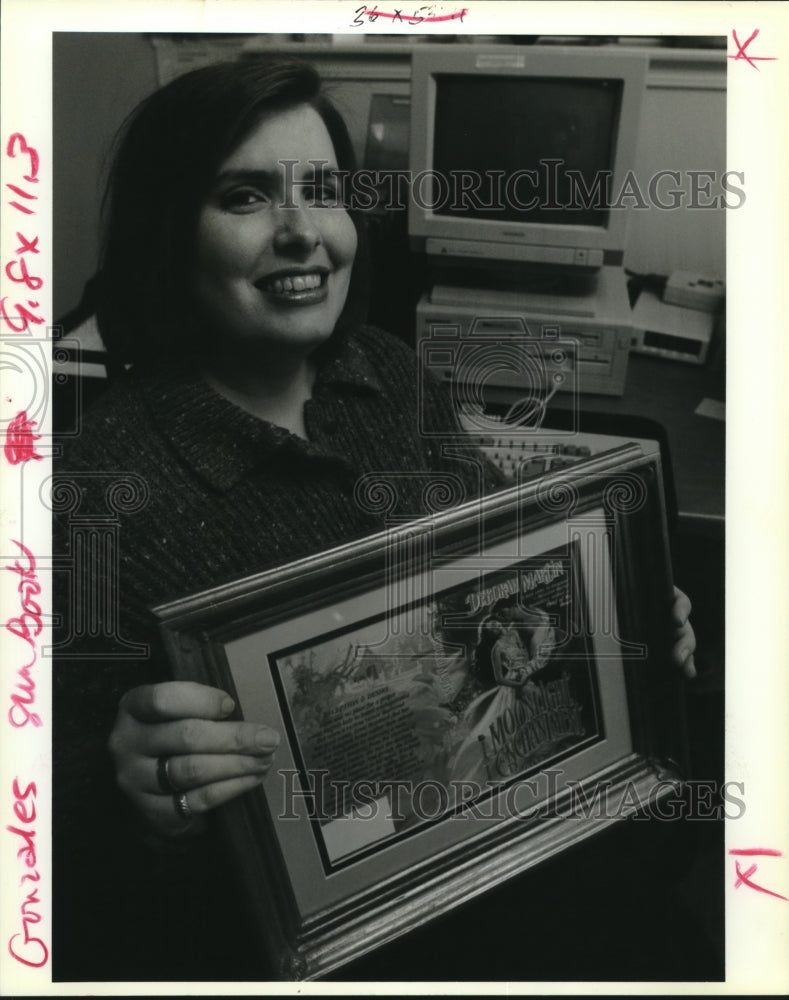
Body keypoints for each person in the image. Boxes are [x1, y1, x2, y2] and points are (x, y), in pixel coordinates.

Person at [52, 57, 697, 982]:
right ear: (170, 233)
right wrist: (141, 804)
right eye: (244, 197)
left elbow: (502, 564)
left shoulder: (388, 373)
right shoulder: (91, 494)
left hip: (503, 834)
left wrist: (616, 626)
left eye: (324, 191)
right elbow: (70, 882)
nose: (303, 231)